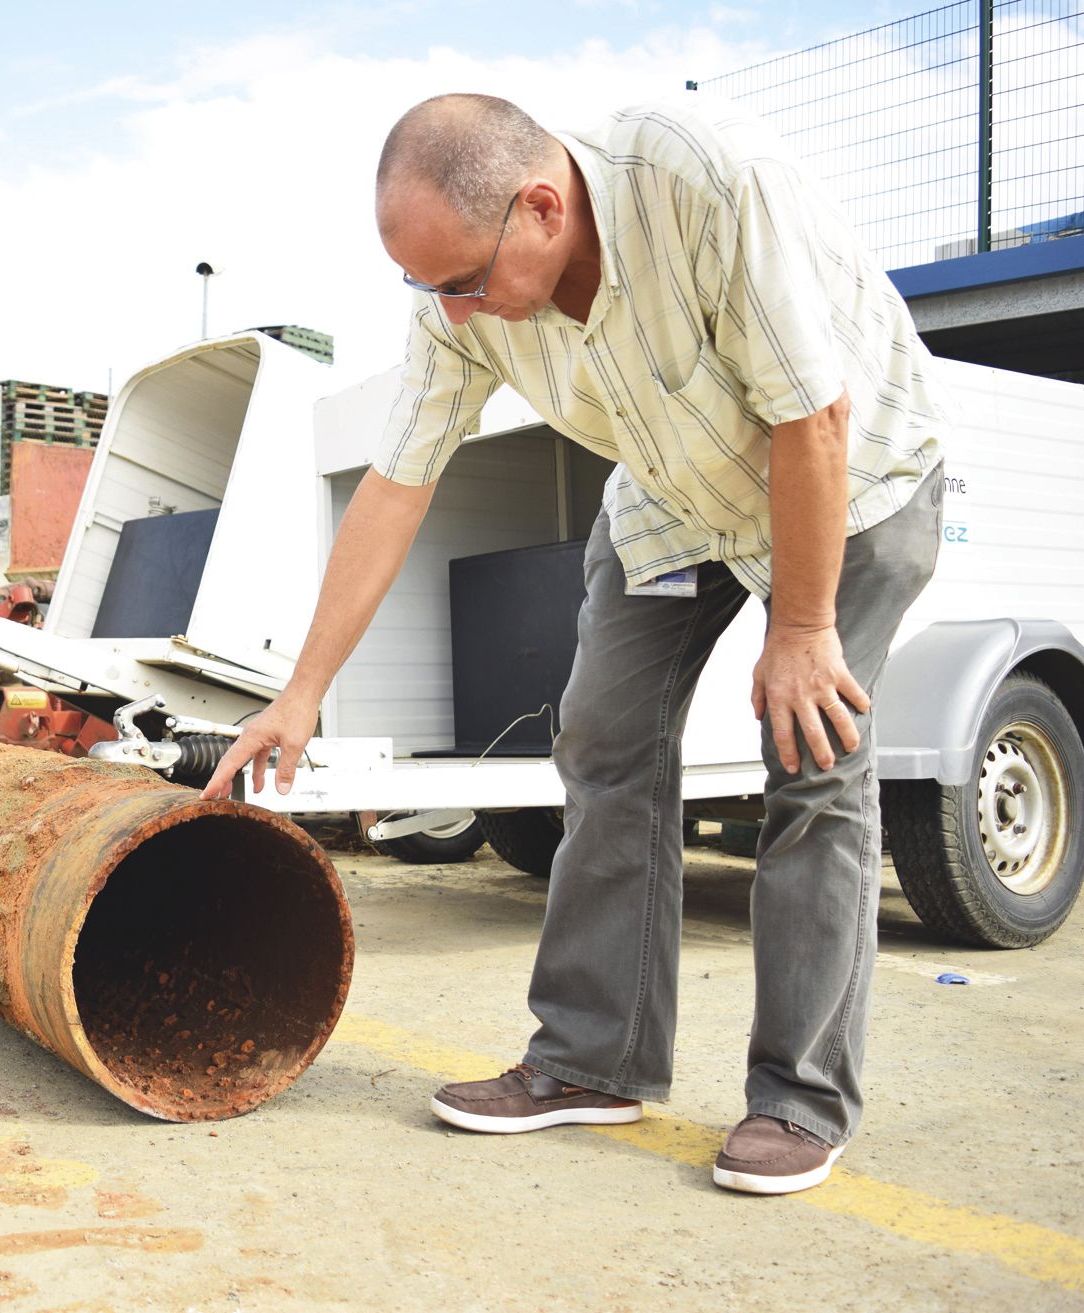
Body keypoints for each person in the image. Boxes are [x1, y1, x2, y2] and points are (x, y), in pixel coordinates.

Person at [201, 94, 945, 1196]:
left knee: (811, 754)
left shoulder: (707, 186)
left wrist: (798, 627)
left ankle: (799, 1098)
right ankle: (593, 1060)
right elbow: (397, 485)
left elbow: (810, 417)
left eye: (461, 282)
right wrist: (301, 690)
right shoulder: (456, 306)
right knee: (601, 744)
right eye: (422, 287)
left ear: (542, 208)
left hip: (850, 477)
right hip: (674, 500)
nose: (450, 313)